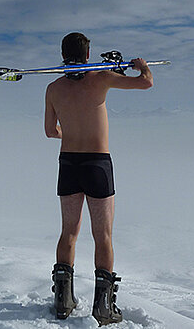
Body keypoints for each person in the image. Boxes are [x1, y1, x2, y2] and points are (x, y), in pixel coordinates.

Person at [44, 32, 153, 325]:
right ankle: (103, 308)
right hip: (97, 163)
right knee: (102, 235)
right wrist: (143, 66)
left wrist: (71, 133)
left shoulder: (53, 88)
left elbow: (50, 131)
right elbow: (146, 83)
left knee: (69, 232)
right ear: (88, 54)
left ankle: (62, 302)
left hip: (68, 163)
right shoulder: (101, 78)